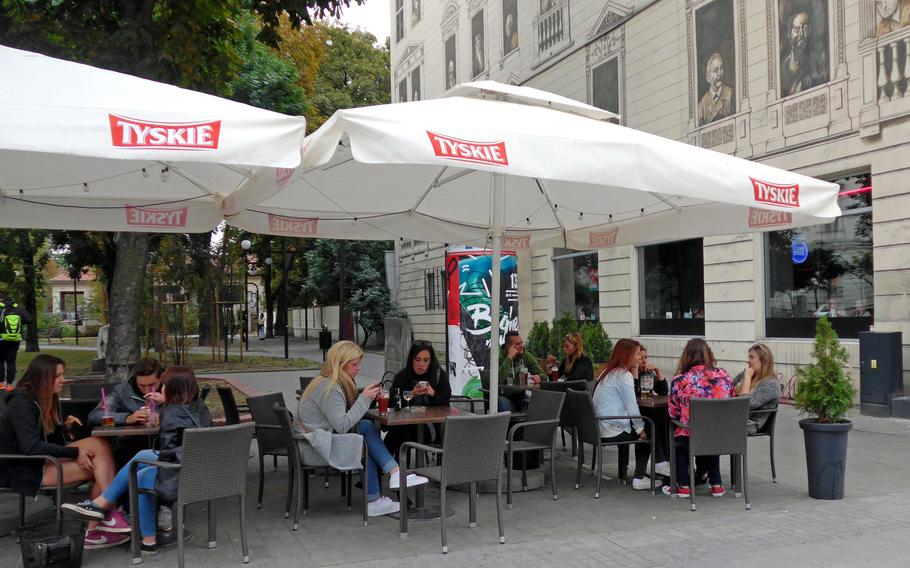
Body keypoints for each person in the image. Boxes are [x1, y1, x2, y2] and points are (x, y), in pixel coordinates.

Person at [63, 366, 212, 555]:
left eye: (162, 385)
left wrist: (166, 411)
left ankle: (111, 512)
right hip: (204, 471)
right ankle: (107, 508)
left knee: (139, 474)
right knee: (142, 458)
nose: (158, 390)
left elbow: (166, 454)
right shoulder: (200, 406)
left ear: (172, 388)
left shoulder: (171, 413)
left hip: (182, 474)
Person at [0, 355, 121, 549]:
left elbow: (46, 439)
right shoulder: (21, 404)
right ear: (41, 377)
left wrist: (63, 428)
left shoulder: (44, 399)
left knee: (100, 446)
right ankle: (103, 520)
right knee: (100, 464)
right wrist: (75, 453)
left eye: (62, 375)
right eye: (57, 376)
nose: (62, 380)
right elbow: (31, 446)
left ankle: (101, 520)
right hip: (24, 469)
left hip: (41, 461)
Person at [297, 341, 428, 517]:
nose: (358, 368)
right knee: (365, 432)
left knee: (365, 435)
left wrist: (364, 400)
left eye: (359, 364)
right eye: (354, 364)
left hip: (319, 440)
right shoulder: (330, 388)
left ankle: (379, 494)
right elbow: (342, 426)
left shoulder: (327, 382)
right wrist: (364, 399)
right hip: (313, 448)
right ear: (340, 364)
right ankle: (391, 478)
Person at [664, 338, 735, 498]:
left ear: (686, 356)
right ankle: (716, 484)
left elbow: (673, 412)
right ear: (709, 354)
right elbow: (732, 399)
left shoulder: (680, 380)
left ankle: (683, 486)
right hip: (720, 434)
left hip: (691, 435)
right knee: (711, 430)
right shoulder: (724, 376)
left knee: (680, 434)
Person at [592, 339, 661, 490]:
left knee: (645, 425)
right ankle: (642, 475)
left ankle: (658, 465)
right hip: (611, 429)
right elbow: (632, 407)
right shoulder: (623, 375)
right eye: (637, 354)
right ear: (627, 355)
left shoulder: (607, 371)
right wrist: (640, 430)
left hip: (598, 427)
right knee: (651, 427)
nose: (639, 358)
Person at [384, 341, 452, 459]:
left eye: (426, 360)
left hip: (432, 428)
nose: (421, 364)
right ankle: (393, 470)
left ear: (431, 361)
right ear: (411, 359)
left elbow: (446, 406)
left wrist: (432, 394)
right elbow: (394, 404)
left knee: (397, 434)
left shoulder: (438, 376)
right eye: (417, 359)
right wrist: (411, 394)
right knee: (398, 433)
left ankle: (391, 469)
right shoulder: (403, 376)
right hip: (405, 426)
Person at [734, 343, 781, 435]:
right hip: (734, 416)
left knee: (713, 422)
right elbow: (729, 388)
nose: (748, 361)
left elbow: (745, 405)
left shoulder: (771, 384)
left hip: (749, 423)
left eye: (752, 357)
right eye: (748, 357)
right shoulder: (749, 374)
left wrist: (747, 378)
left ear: (764, 361)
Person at [780, 12, 828, 96]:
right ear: (790, 34)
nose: (801, 34)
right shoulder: (785, 65)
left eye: (805, 29)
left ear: (810, 31)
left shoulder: (819, 58)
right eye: (797, 29)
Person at [498, 331, 545, 412]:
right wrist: (509, 358)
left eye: (521, 343)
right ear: (508, 346)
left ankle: (528, 424)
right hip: (503, 395)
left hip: (521, 394)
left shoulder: (525, 355)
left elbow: (542, 374)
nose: (521, 346)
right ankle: (510, 424)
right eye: (517, 344)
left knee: (540, 405)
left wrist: (539, 377)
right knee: (504, 407)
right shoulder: (499, 356)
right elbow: (500, 379)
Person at [0, 290, 29, 391]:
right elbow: (28, 319)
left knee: (0, 360)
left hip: (1, 339)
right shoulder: (17, 307)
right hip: (15, 339)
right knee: (11, 361)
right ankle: (9, 385)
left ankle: (1, 383)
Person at [697, 52, 734, 126]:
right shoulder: (701, 106)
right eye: (715, 70)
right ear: (708, 77)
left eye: (721, 68)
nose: (720, 73)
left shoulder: (731, 94)